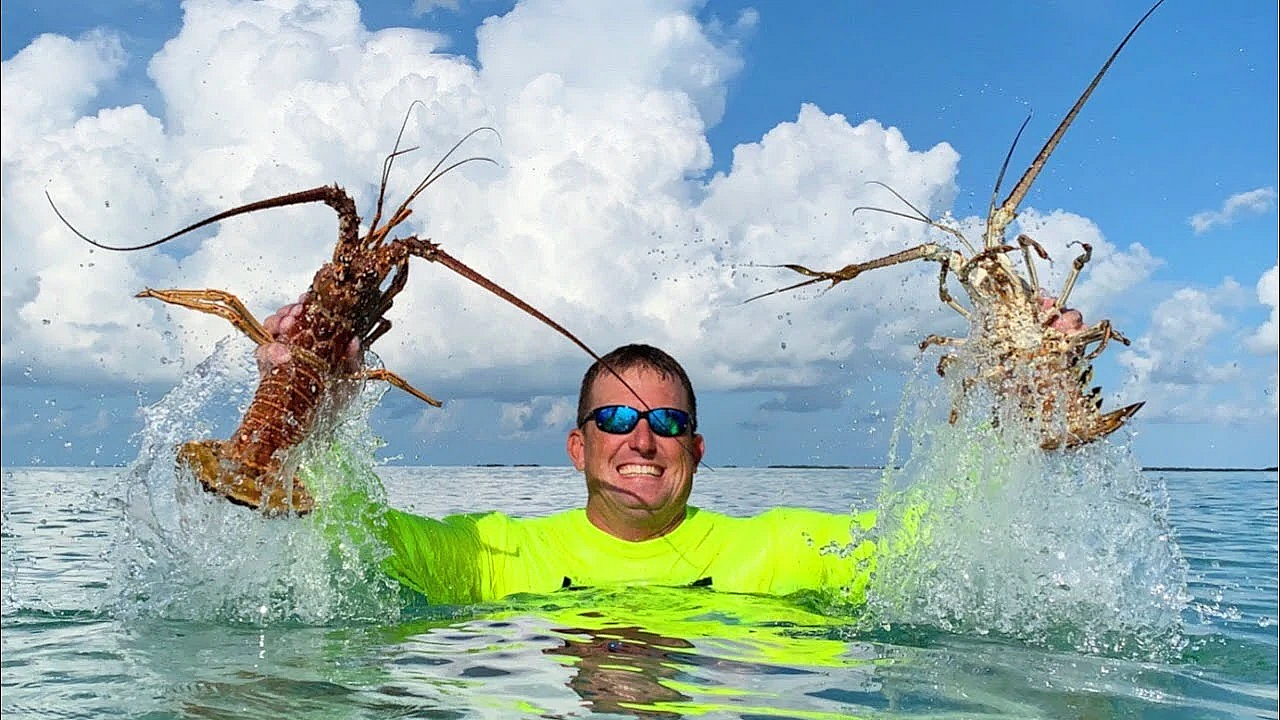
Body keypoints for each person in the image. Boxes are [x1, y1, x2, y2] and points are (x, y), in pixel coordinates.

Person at [256, 296, 1088, 607]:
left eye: (664, 424)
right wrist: (312, 400)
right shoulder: (488, 554)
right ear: (579, 447)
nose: (641, 440)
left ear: (697, 448)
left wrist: (1017, 400)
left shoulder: (783, 544)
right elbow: (345, 530)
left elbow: (950, 537)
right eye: (616, 422)